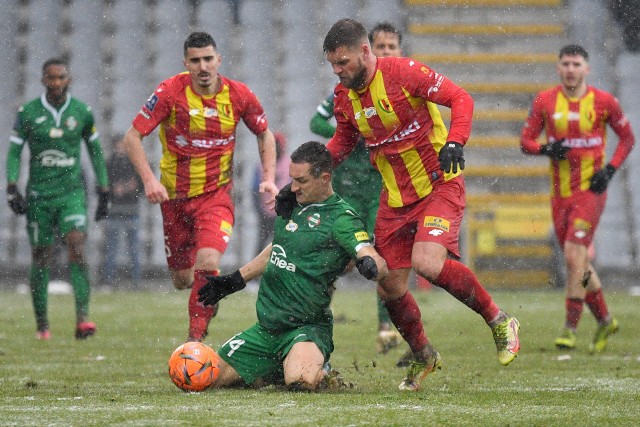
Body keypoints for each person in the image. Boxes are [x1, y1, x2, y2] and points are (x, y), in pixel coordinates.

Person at [321, 18, 521, 391]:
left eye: (343, 62)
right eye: (333, 64)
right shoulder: (343, 96)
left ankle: (498, 320)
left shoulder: (405, 72)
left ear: (365, 52)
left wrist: (455, 141)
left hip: (438, 186)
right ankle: (423, 354)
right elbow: (343, 140)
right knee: (389, 287)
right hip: (394, 199)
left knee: (428, 264)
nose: (338, 71)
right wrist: (309, 173)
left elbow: (460, 98)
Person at [122, 31, 278, 342]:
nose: (203, 66)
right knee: (182, 279)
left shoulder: (238, 95)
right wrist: (150, 181)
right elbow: (131, 138)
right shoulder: (169, 93)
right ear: (186, 64)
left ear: (219, 60)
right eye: (196, 60)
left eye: (208, 59)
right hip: (175, 198)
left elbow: (265, 134)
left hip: (215, 196)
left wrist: (269, 178)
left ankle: (195, 340)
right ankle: (208, 295)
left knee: (208, 261)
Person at [196, 141, 388, 391]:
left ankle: (315, 368)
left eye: (302, 181)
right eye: (292, 179)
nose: (293, 187)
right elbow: (277, 249)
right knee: (206, 379)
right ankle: (278, 368)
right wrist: (234, 280)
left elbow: (373, 258)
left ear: (325, 178)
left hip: (306, 328)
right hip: (265, 330)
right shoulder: (291, 203)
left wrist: (369, 264)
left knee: (299, 384)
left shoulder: (341, 218)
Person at [310, 22, 416, 358]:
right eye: (380, 46)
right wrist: (355, 133)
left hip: (385, 186)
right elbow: (317, 122)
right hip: (348, 185)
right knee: (337, 257)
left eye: (391, 46)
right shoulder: (347, 89)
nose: (385, 51)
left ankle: (387, 328)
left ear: (399, 51)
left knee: (382, 255)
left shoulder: (403, 85)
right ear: (368, 48)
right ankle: (312, 320)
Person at [520, 44, 635, 353]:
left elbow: (627, 138)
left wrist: (609, 170)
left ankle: (570, 327)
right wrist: (545, 149)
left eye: (576, 64)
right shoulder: (545, 101)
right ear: (558, 68)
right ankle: (605, 320)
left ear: (587, 69)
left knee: (573, 255)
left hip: (591, 191)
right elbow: (525, 141)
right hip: (560, 196)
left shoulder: (603, 102)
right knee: (579, 263)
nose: (571, 69)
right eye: (566, 64)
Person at [5, 58, 110, 340]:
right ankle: (42, 325)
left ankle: (83, 320)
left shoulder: (82, 112)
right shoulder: (28, 112)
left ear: (69, 79)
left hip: (71, 194)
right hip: (39, 195)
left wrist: (104, 189)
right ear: (43, 80)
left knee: (76, 245)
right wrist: (12, 186)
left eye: (61, 77)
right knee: (42, 255)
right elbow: (14, 153)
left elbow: (96, 152)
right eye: (51, 78)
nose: (56, 83)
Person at [103, 136, 144, 288]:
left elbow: (143, 186)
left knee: (133, 248)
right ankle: (109, 279)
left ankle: (136, 280)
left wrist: (127, 189)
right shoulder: (110, 163)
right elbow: (101, 186)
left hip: (131, 211)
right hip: (114, 212)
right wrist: (114, 190)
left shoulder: (134, 163)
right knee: (113, 248)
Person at [251, 131, 290, 256]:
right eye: (274, 145)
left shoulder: (289, 164)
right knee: (261, 247)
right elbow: (254, 190)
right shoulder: (260, 165)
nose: (277, 149)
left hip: (283, 214)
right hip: (266, 213)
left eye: (278, 145)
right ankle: (255, 273)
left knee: (285, 245)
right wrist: (260, 211)